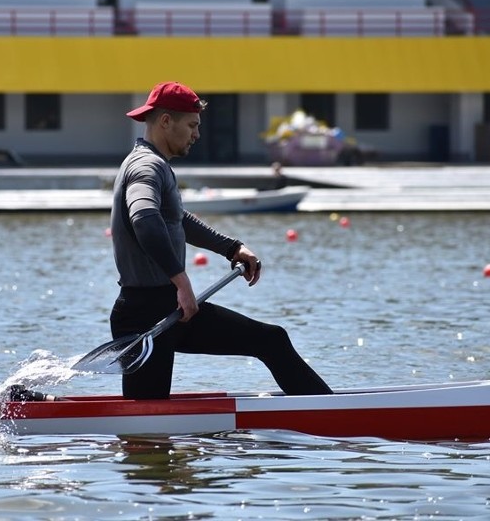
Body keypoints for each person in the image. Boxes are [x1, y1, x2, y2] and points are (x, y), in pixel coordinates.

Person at [109, 81, 333, 400]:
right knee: (144, 418)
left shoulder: (149, 162)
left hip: (156, 307)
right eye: (192, 125)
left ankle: (327, 411)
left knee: (270, 340)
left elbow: (176, 219)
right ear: (165, 121)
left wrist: (230, 247)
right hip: (152, 312)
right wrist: (183, 283)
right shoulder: (147, 167)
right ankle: (333, 417)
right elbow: (145, 220)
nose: (197, 134)